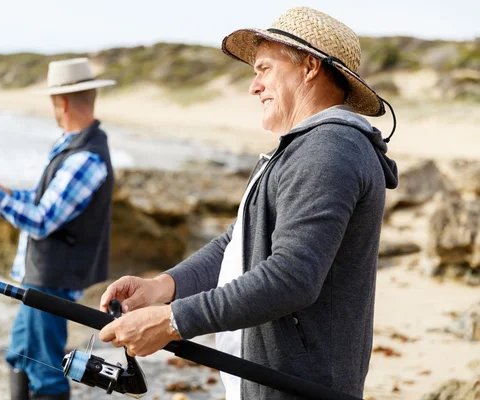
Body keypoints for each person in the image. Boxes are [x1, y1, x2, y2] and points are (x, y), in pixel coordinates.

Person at [98, 7, 399, 400]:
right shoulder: (307, 148)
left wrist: (172, 322)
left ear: (309, 67)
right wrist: (163, 287)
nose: (254, 86)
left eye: (264, 69)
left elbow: (291, 278)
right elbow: (238, 244)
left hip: (299, 388)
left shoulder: (330, 150)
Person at [0, 58, 116, 400]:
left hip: (52, 281)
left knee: (45, 371)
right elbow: (45, 199)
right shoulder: (72, 146)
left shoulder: (85, 157)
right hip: (41, 278)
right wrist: (0, 189)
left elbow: (42, 221)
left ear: (62, 103)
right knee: (20, 355)